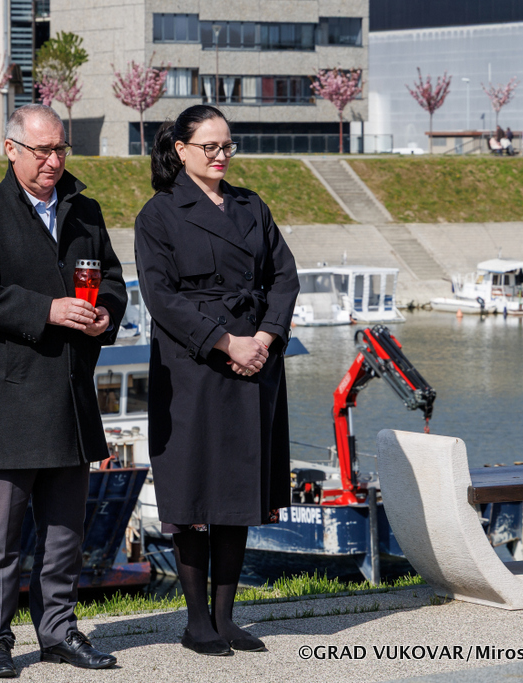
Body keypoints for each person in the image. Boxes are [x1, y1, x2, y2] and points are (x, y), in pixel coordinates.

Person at [0, 104, 126, 678]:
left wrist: (107, 314)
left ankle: (59, 633)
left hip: (69, 401)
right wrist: (47, 310)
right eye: (42, 150)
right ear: (11, 149)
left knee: (65, 535)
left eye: (60, 150)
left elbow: (113, 279)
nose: (53, 161)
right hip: (4, 405)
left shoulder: (85, 210)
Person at [134, 105, 299, 656]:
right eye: (210, 146)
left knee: (237, 489)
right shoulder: (158, 215)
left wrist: (265, 338)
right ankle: (196, 622)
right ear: (181, 150)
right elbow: (162, 298)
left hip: (256, 361)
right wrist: (228, 343)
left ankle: (226, 619)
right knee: (193, 491)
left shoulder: (252, 205)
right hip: (195, 366)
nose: (221, 155)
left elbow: (284, 276)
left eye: (228, 145)